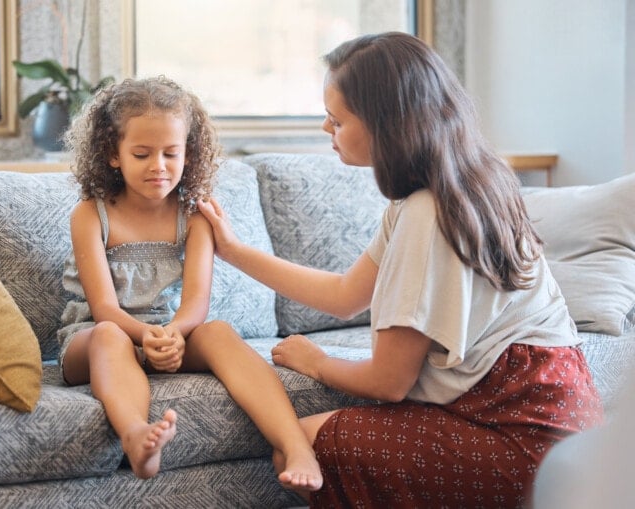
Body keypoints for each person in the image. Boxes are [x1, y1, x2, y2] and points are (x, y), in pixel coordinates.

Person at [198, 32, 604, 507]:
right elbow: (346, 295)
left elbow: (388, 383)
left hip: (522, 439)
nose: (326, 130)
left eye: (337, 119)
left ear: (386, 125)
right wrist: (233, 250)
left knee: (305, 445)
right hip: (563, 419)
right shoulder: (465, 181)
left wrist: (317, 362)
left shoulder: (426, 214)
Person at [57, 76, 321, 490]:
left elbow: (196, 305)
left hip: (171, 333)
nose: (158, 166)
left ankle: (295, 444)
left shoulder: (194, 217)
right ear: (113, 154)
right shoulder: (91, 215)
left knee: (217, 331)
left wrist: (173, 336)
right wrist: (148, 337)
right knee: (109, 334)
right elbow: (105, 308)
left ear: (189, 155)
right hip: (96, 340)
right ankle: (136, 437)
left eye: (171, 153)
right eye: (141, 154)